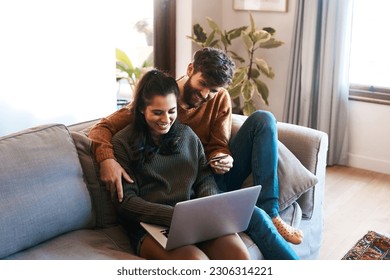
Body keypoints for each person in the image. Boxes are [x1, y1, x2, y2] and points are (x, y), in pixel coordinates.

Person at [89, 47, 301, 259]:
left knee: (264, 119)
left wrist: (221, 161)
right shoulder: (137, 123)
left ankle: (271, 210)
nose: (206, 94)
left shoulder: (197, 124)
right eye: (203, 84)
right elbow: (101, 129)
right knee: (242, 225)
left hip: (203, 185)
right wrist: (107, 159)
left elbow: (214, 152)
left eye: (172, 112)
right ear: (191, 70)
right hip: (165, 216)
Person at [111, 69, 250, 259]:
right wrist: (175, 216)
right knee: (196, 262)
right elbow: (126, 202)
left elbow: (204, 177)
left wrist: (208, 205)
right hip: (151, 227)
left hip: (195, 220)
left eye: (171, 111)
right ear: (142, 108)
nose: (166, 120)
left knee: (239, 255)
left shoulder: (187, 135)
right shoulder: (122, 143)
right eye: (157, 113)